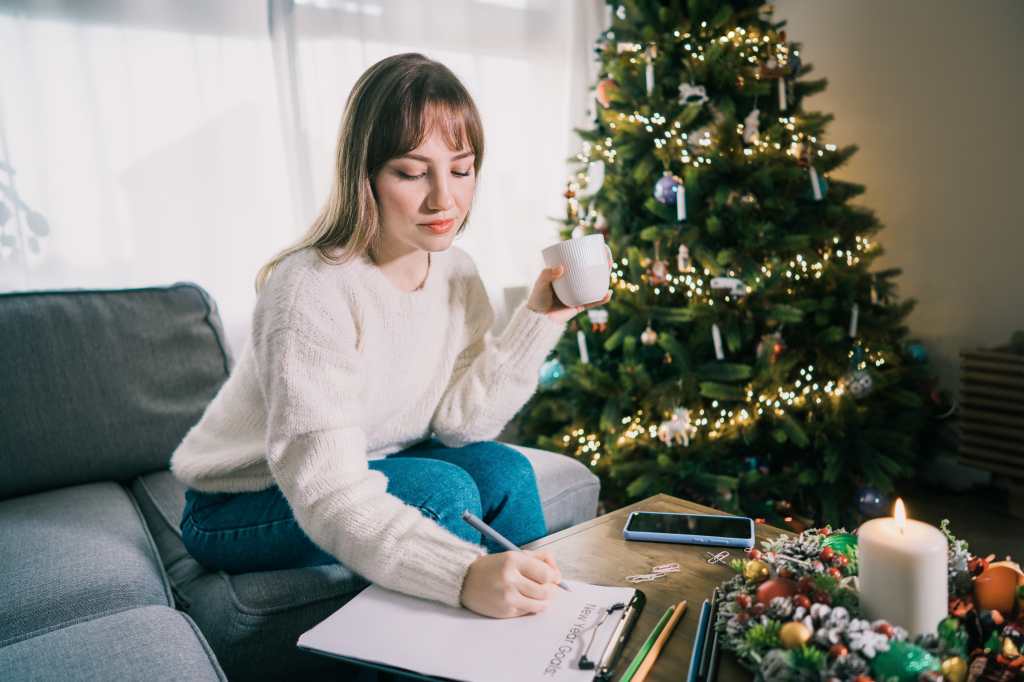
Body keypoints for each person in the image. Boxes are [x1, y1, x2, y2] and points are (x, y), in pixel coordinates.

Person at [169, 53, 611, 619]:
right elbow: (327, 488)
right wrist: (460, 575)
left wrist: (540, 316)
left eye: (461, 168)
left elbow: (460, 426)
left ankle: (547, 630)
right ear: (367, 175)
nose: (443, 200)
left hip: (379, 457)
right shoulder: (312, 287)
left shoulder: (457, 271)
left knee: (505, 471)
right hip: (240, 503)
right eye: (411, 172)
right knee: (439, 491)